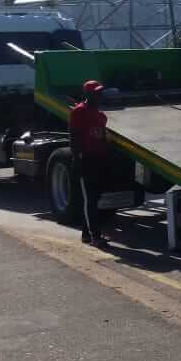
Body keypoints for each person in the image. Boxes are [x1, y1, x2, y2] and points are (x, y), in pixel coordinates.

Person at [69, 79, 113, 248]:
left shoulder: (101, 115)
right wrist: (76, 159)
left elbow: (101, 138)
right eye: (96, 92)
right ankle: (95, 236)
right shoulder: (78, 112)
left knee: (97, 196)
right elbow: (73, 136)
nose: (99, 95)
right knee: (91, 199)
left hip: (99, 159)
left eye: (100, 92)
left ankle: (86, 234)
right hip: (86, 159)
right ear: (88, 94)